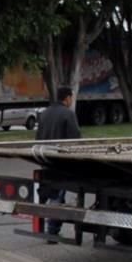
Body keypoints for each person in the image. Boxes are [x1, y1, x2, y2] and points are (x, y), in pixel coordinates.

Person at [36, 86, 82, 239]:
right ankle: (52, 230)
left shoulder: (44, 114)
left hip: (44, 159)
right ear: (67, 98)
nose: (71, 101)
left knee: (48, 192)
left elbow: (37, 138)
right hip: (60, 162)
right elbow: (75, 139)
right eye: (71, 98)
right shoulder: (68, 114)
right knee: (57, 195)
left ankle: (45, 226)